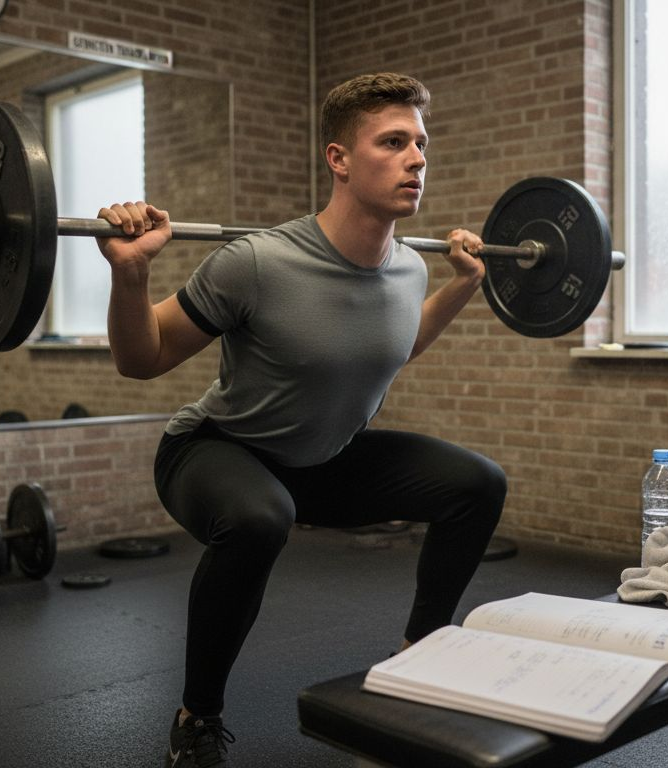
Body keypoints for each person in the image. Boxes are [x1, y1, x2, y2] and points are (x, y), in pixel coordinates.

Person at [95, 73, 507, 768]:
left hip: (322, 461)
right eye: (393, 143)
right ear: (338, 159)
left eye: (421, 144)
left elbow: (398, 343)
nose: (417, 159)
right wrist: (130, 274)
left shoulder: (409, 269)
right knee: (261, 518)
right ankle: (197, 719)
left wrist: (464, 283)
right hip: (217, 452)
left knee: (477, 484)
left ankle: (419, 659)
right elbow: (143, 358)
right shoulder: (257, 262)